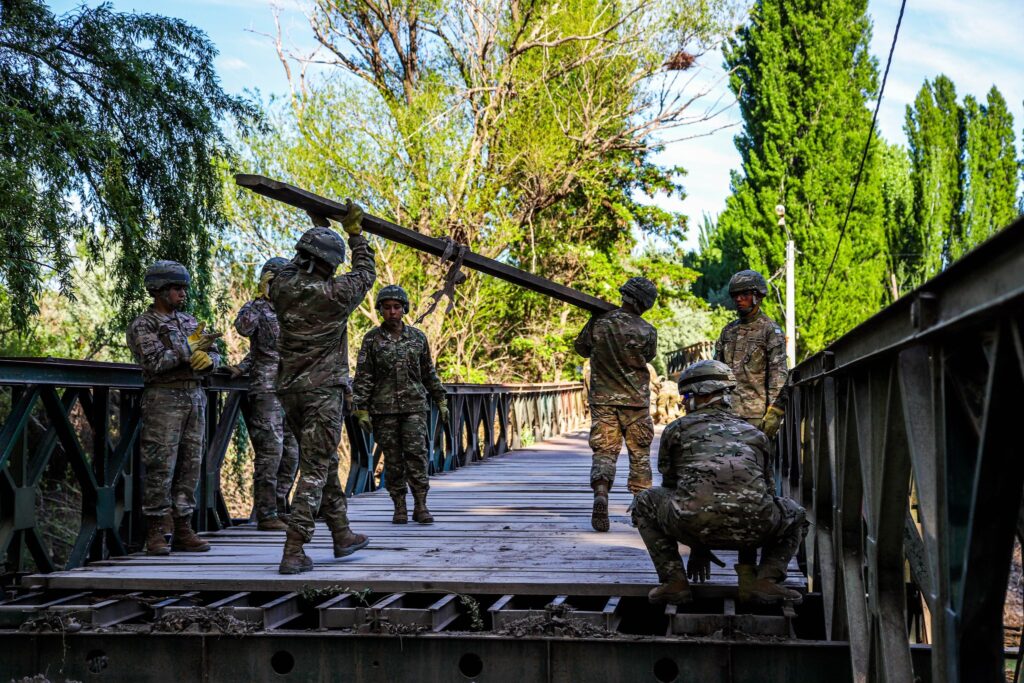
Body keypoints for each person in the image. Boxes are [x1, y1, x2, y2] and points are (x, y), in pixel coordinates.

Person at [631, 360, 807, 605]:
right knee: (795, 513)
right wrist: (745, 562)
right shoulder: (755, 434)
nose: (683, 402)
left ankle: (675, 582)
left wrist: (698, 543)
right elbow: (763, 492)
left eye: (686, 396)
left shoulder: (676, 429)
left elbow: (672, 485)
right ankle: (767, 581)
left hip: (691, 523)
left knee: (644, 502)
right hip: (756, 527)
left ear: (699, 397)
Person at [269, 202, 375, 574]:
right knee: (314, 468)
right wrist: (356, 235)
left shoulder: (279, 286)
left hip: (289, 390)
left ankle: (342, 533)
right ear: (330, 264)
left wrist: (319, 228)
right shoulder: (335, 296)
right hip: (323, 392)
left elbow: (295, 263)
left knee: (324, 461)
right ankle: (294, 548)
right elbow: (365, 272)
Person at [126, 260, 222, 555]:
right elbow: (153, 362)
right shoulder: (144, 324)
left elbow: (214, 354)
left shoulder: (191, 322)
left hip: (195, 398)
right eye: (176, 288)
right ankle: (155, 531)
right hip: (164, 399)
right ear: (159, 290)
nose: (182, 293)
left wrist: (210, 362)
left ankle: (183, 528)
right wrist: (188, 349)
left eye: (183, 288)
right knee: (160, 465)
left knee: (190, 465)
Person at [352, 285, 449, 525]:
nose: (392, 312)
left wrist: (441, 399)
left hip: (414, 407)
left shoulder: (417, 338)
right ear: (381, 310)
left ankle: (421, 504)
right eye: (387, 308)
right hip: (384, 410)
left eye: (396, 307)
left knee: (417, 455)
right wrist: (361, 407)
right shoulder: (372, 339)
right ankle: (399, 506)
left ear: (404, 309)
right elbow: (364, 375)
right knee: (393, 460)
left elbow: (428, 372)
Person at [573, 277, 658, 532]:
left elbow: (581, 349)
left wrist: (594, 319)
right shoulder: (647, 330)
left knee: (604, 452)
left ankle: (601, 493)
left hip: (603, 401)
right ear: (645, 303)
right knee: (640, 455)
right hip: (636, 403)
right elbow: (649, 356)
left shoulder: (599, 323)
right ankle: (640, 509)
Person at [230, 256, 300, 530]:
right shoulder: (258, 308)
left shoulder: (294, 311)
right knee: (272, 450)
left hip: (292, 386)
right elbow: (244, 329)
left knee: (292, 451)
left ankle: (282, 507)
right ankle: (266, 513)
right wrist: (259, 299)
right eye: (277, 281)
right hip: (267, 388)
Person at [714, 269, 788, 438]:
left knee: (756, 463)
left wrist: (774, 412)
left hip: (756, 418)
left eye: (745, 294)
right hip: (726, 413)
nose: (739, 299)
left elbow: (779, 374)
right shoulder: (728, 331)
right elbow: (716, 370)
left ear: (758, 296)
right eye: (735, 295)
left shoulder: (770, 331)